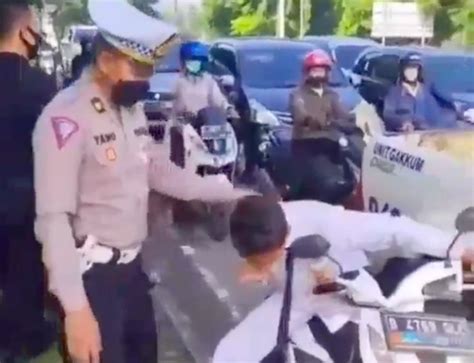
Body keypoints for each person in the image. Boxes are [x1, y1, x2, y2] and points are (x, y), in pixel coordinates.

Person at [32, 1, 251, 363]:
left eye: (150, 68)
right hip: (91, 280)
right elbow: (53, 219)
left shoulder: (128, 109)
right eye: (139, 67)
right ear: (106, 61)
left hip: (132, 272)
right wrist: (75, 310)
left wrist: (231, 193)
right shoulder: (65, 117)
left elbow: (155, 169)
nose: (146, 78)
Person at [213, 196, 474, 362]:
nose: (270, 263)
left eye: (275, 255)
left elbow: (395, 228)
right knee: (229, 354)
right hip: (294, 302)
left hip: (350, 299)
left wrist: (457, 249)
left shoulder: (323, 222)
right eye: (263, 260)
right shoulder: (249, 228)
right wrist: (261, 270)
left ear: (289, 232)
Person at [0, 1, 57, 359]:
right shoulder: (39, 84)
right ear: (24, 31)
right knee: (24, 281)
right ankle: (21, 341)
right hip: (26, 204)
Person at [383, 52, 457, 132]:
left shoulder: (428, 90)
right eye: (408, 69)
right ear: (402, 71)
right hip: (406, 136)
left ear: (419, 71)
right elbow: (388, 115)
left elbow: (449, 107)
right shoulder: (394, 92)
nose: (411, 72)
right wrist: (403, 122)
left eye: (414, 69)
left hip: (431, 136)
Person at [289, 49, 353, 142]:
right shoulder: (297, 94)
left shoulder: (331, 94)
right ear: (307, 73)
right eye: (315, 71)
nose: (318, 75)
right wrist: (314, 121)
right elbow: (300, 113)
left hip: (330, 141)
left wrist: (356, 119)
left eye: (321, 71)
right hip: (305, 142)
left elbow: (342, 113)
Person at [173, 40, 232, 117]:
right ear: (184, 61)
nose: (196, 62)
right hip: (182, 123)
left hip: (205, 122)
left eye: (199, 60)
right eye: (192, 59)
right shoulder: (178, 82)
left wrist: (228, 108)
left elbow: (218, 99)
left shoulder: (208, 80)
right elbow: (171, 104)